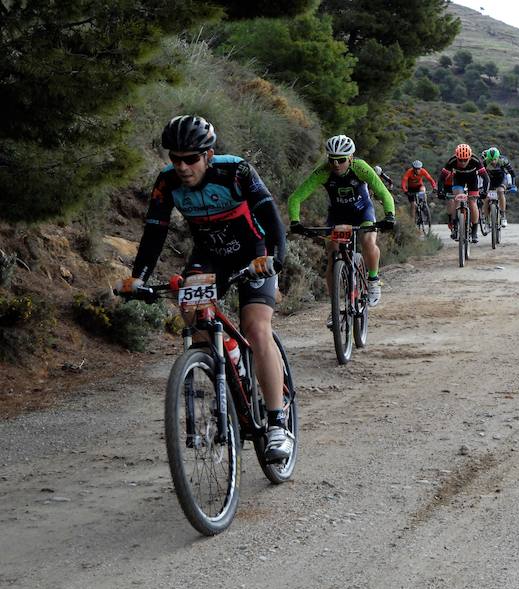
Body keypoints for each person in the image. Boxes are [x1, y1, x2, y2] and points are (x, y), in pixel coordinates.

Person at [117, 115, 291, 462]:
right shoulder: (167, 183)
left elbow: (271, 219)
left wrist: (275, 257)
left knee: (257, 329)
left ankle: (276, 423)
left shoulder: (236, 172)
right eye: (175, 158)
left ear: (208, 155)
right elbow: (155, 232)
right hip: (209, 256)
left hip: (252, 254)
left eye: (191, 158)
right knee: (193, 318)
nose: (182, 166)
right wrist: (138, 277)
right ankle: (226, 365)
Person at [287, 134, 395, 312]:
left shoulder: (360, 168)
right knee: (332, 255)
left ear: (350, 158)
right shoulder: (323, 172)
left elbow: (384, 193)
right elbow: (296, 197)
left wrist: (390, 215)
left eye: (341, 160)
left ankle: (374, 280)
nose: (336, 164)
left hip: (362, 212)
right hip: (338, 216)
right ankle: (335, 309)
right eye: (332, 159)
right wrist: (295, 221)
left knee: (368, 241)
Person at [438, 143, 489, 243]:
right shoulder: (452, 161)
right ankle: (455, 225)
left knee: (472, 202)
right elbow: (441, 178)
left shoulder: (475, 160)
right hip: (458, 179)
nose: (462, 162)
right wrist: (440, 191)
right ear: (456, 157)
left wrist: (485, 192)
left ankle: (474, 231)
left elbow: (485, 178)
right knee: (456, 200)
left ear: (469, 157)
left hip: (472, 179)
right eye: (460, 160)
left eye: (465, 160)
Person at [480, 147, 516, 227]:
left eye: (495, 159)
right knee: (486, 199)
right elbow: (479, 175)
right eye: (491, 159)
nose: (493, 162)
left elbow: (512, 173)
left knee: (500, 192)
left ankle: (503, 216)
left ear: (498, 157)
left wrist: (513, 185)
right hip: (490, 180)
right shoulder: (485, 162)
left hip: (501, 179)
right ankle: (486, 220)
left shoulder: (503, 161)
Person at [400, 159, 437, 226]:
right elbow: (404, 182)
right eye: (416, 169)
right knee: (413, 205)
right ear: (413, 168)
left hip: (419, 186)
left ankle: (424, 205)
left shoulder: (423, 171)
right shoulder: (409, 172)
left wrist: (434, 187)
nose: (417, 170)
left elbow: (430, 179)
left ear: (421, 168)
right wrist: (405, 190)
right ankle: (412, 223)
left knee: (423, 192)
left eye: (419, 169)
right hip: (411, 189)